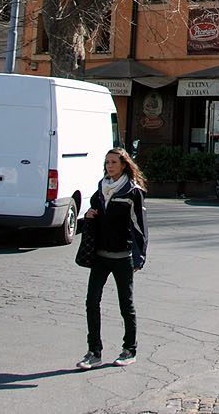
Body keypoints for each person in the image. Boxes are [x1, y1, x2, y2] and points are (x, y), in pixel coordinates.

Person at [77, 149, 148, 370]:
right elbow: (95, 212)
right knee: (91, 302)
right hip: (100, 255)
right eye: (107, 162)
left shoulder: (132, 192)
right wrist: (89, 215)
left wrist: (140, 256)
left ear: (124, 165)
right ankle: (94, 352)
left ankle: (129, 349)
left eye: (113, 162)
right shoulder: (101, 187)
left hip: (122, 256)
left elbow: (139, 226)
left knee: (125, 304)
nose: (109, 166)